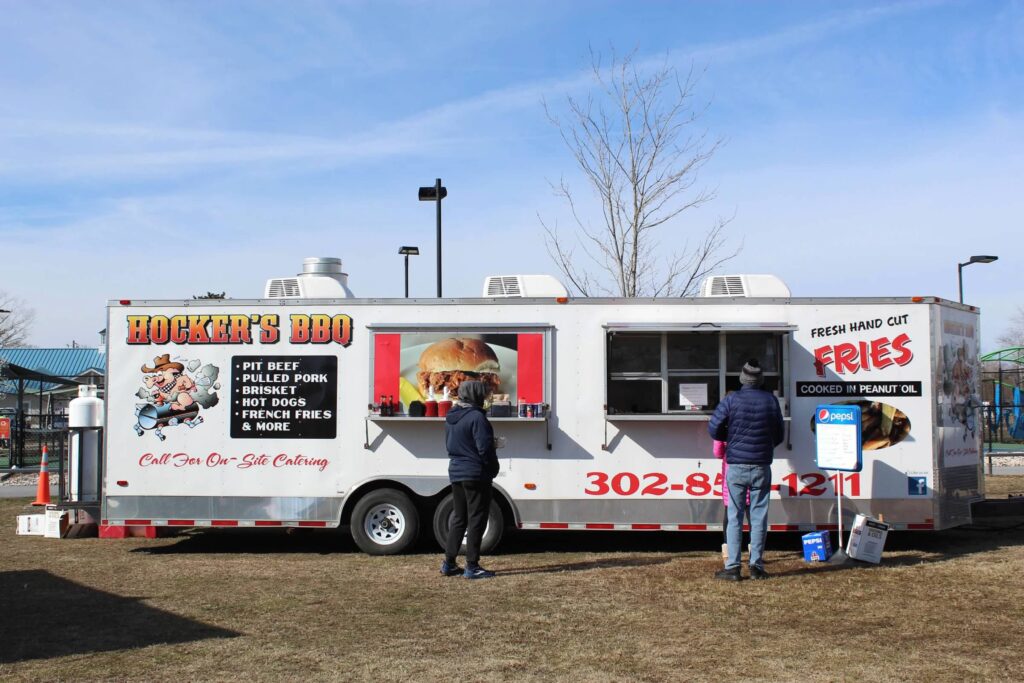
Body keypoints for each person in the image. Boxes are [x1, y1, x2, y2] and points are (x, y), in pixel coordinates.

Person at [708, 359, 785, 581]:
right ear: (760, 380)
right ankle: (756, 566)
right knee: (759, 516)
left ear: (742, 379)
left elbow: (713, 428)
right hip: (762, 465)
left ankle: (732, 567)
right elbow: (779, 433)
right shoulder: (770, 400)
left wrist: (729, 437)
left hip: (736, 466)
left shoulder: (731, 400)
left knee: (734, 516)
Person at [440, 380, 500, 579]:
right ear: (475, 395)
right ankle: (472, 566)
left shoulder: (451, 417)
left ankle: (448, 563)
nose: (484, 397)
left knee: (459, 518)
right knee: (476, 519)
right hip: (475, 473)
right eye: (482, 394)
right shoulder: (476, 417)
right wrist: (493, 468)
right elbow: (484, 448)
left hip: (456, 471)